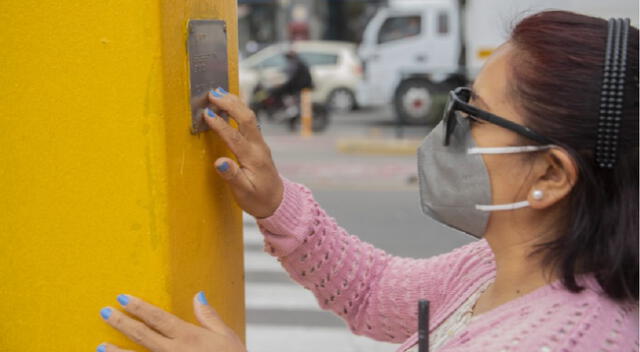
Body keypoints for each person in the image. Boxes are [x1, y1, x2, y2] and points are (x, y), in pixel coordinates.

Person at [96, 11, 638, 352]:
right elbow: (374, 291)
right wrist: (276, 203)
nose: (450, 127)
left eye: (475, 114)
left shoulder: (561, 339)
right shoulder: (504, 267)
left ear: (550, 174)